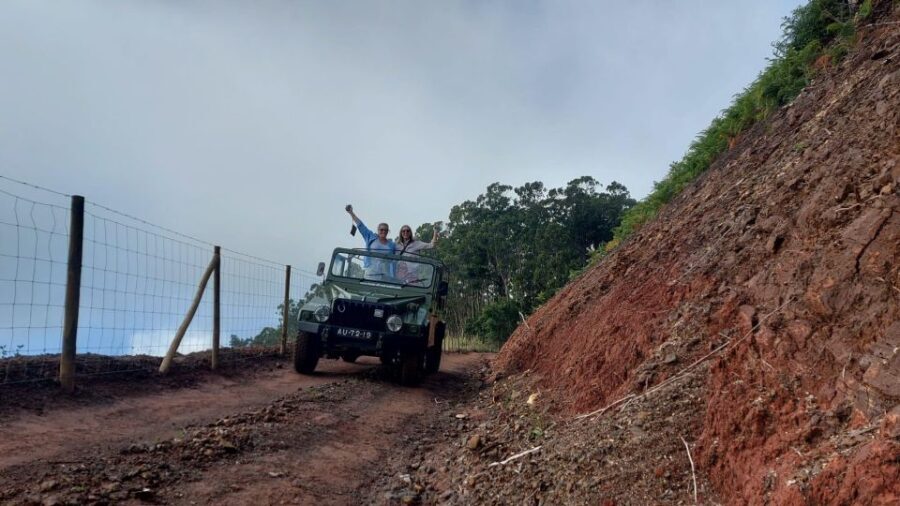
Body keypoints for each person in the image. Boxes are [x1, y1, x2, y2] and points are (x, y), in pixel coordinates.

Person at [345, 204, 395, 278]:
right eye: (381, 229)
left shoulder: (392, 245)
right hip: (370, 272)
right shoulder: (370, 236)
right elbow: (361, 225)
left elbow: (398, 255)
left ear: (388, 231)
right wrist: (351, 213)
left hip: (385, 275)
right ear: (378, 230)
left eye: (385, 230)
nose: (383, 231)